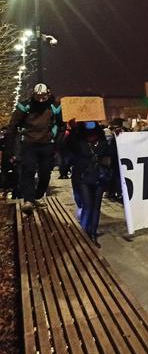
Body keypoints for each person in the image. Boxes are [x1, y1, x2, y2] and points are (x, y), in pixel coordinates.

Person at [6, 84, 62, 214]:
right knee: (28, 171)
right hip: (29, 144)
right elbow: (13, 126)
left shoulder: (54, 106)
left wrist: (55, 139)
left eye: (44, 97)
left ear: (48, 94)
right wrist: (11, 147)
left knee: (45, 174)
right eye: (38, 97)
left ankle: (37, 195)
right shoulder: (25, 106)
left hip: (47, 144)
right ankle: (29, 200)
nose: (41, 100)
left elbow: (61, 125)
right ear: (34, 95)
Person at [67, 121, 112, 247]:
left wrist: (117, 138)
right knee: (87, 206)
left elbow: (110, 153)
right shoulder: (78, 140)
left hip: (99, 177)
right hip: (83, 177)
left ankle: (92, 234)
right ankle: (83, 235)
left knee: (96, 207)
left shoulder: (102, 140)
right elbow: (66, 145)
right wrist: (72, 130)